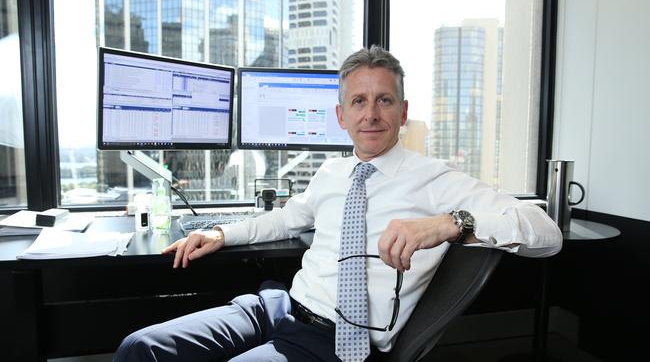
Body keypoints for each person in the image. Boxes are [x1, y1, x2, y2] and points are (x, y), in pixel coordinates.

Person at [113, 45, 562, 362]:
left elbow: (545, 232)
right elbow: (287, 219)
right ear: (341, 116)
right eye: (359, 101)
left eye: (384, 101)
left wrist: (451, 223)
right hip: (281, 306)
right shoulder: (331, 173)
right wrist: (220, 232)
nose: (371, 114)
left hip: (338, 339)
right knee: (142, 347)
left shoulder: (433, 179)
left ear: (403, 113)